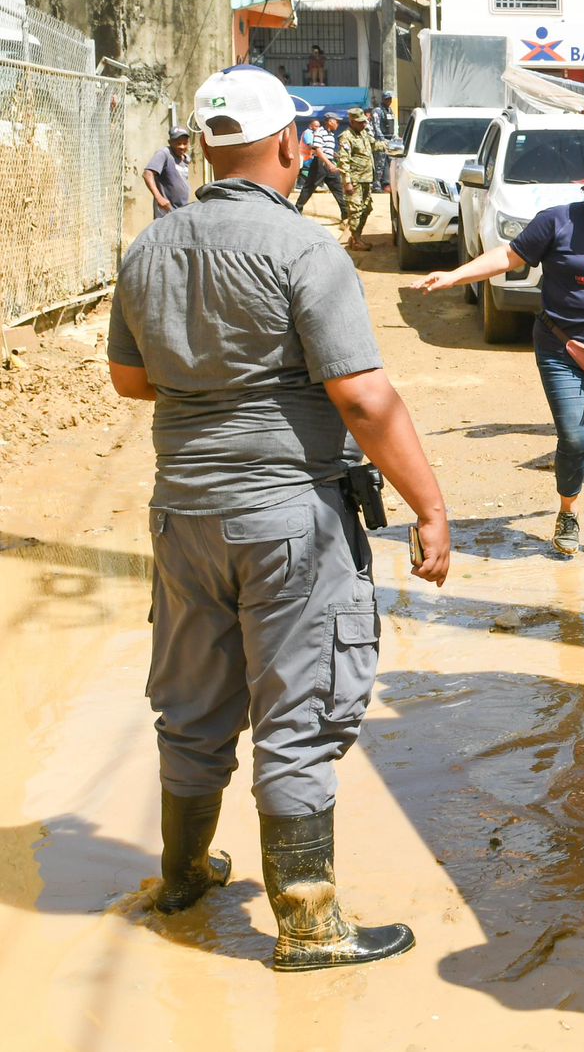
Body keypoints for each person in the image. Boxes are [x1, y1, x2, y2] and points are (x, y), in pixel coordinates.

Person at [105, 63, 451, 972]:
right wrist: (431, 506)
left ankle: (182, 874)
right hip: (289, 515)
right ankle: (306, 923)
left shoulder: (149, 249)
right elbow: (364, 398)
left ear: (207, 147)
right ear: (292, 146)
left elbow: (131, 380)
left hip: (182, 514)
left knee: (191, 701)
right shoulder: (305, 249)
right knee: (297, 708)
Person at [411, 158, 584, 560]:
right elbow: (508, 258)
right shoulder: (556, 222)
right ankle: (568, 513)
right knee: (576, 435)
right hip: (561, 346)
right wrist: (454, 275)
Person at [295, 110, 348, 221]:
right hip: (319, 164)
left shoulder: (331, 135)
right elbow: (318, 150)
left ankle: (345, 213)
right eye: (336, 122)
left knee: (337, 188)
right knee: (309, 187)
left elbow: (326, 149)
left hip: (328, 163)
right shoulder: (320, 131)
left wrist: (335, 156)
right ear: (330, 121)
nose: (338, 124)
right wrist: (329, 164)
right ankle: (297, 210)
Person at [339, 107, 376, 250]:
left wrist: (389, 146)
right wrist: (347, 182)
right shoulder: (346, 137)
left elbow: (374, 145)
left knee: (367, 208)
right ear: (352, 122)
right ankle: (356, 240)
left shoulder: (364, 134)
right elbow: (344, 160)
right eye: (360, 122)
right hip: (355, 180)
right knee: (355, 210)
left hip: (367, 179)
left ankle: (357, 236)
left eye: (364, 122)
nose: (364, 124)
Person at [143, 127, 192, 218]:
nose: (182, 147)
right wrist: (159, 198)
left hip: (181, 210)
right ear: (170, 142)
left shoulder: (185, 159)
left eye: (184, 143)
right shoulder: (164, 154)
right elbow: (147, 174)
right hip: (167, 211)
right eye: (178, 143)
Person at [371, 91, 397, 194]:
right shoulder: (377, 111)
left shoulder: (390, 110)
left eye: (390, 99)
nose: (389, 101)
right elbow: (376, 126)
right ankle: (376, 185)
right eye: (387, 99)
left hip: (390, 141)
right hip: (381, 141)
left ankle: (388, 183)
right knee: (379, 164)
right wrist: (382, 139)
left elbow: (393, 126)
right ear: (383, 99)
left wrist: (394, 137)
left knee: (391, 163)